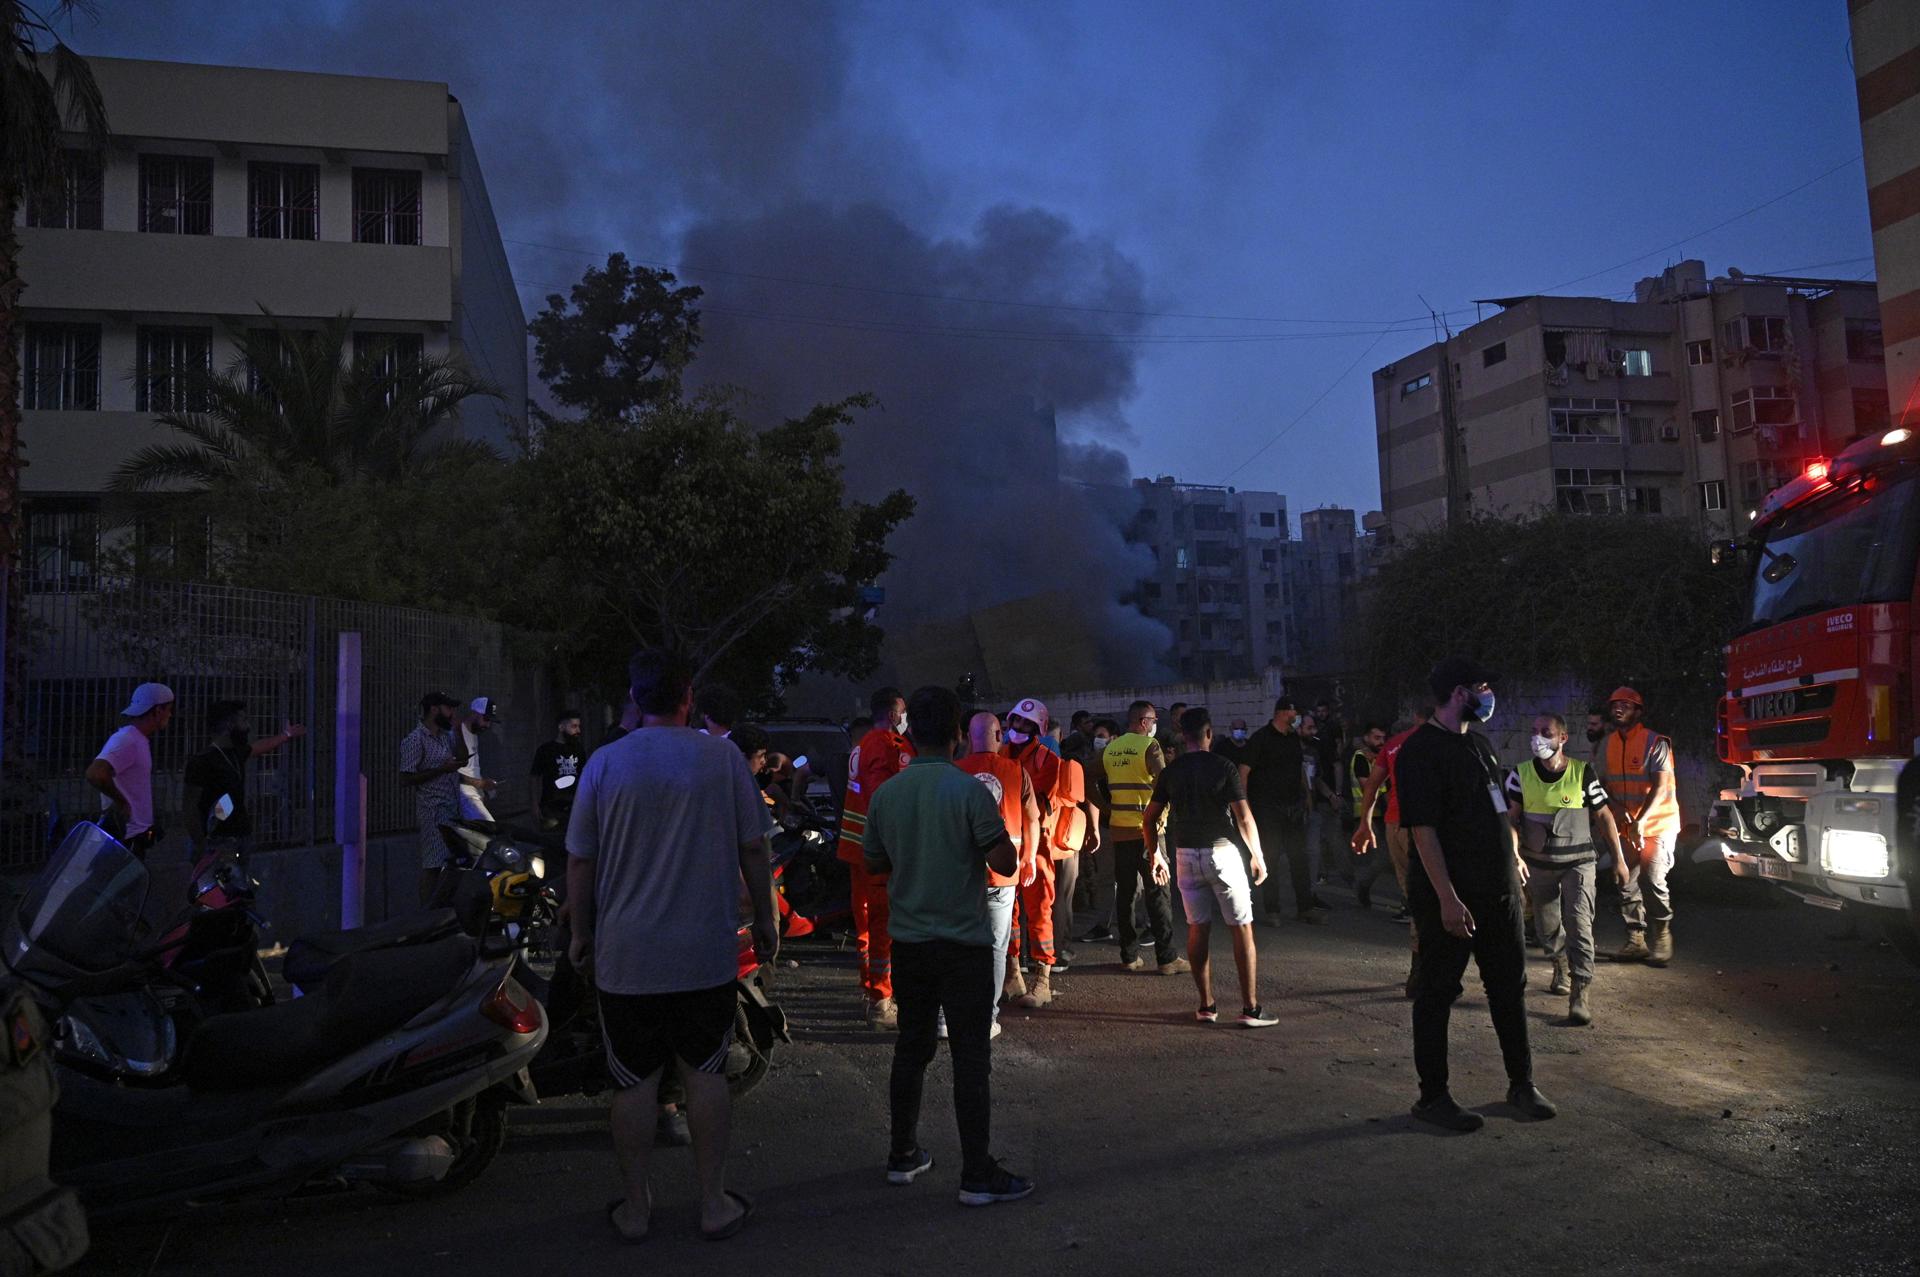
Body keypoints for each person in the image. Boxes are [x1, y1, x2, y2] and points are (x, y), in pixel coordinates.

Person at [565, 649, 777, 1243]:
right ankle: (712, 1204)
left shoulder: (606, 763)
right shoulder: (722, 759)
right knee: (704, 1073)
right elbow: (754, 849)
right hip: (703, 953)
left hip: (626, 957)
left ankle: (636, 1210)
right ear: (689, 696)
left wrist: (581, 932)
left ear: (635, 698)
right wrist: (767, 919)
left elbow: (580, 859)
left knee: (633, 1083)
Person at [864, 685, 1031, 1208]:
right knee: (970, 1056)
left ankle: (902, 1155)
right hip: (964, 945)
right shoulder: (969, 793)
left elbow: (873, 862)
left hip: (910, 944)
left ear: (910, 733)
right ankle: (976, 1173)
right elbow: (1005, 863)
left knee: (912, 1047)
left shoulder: (888, 794)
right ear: (958, 736)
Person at [1396, 656, 1555, 1132]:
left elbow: (1495, 811)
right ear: (1457, 693)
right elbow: (1422, 831)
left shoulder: (1480, 746)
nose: (1488, 695)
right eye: (1481, 687)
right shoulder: (1419, 752)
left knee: (1509, 987)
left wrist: (1514, 857)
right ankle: (1433, 1097)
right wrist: (1446, 897)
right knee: (1437, 992)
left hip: (1498, 891)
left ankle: (1521, 1083)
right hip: (1453, 899)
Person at [1144, 707, 1276, 1027]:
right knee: (1241, 927)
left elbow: (1149, 818)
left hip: (1185, 855)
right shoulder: (1223, 766)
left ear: (1183, 736)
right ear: (1208, 734)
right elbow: (1243, 816)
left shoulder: (1171, 771)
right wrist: (1257, 855)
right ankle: (1250, 1009)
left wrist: (1155, 855)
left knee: (1197, 927)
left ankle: (1206, 1005)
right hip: (1223, 854)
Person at [1506, 714, 1621, 1026]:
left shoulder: (1583, 774)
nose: (1538, 738)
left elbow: (1605, 817)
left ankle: (1580, 992)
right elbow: (1510, 821)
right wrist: (1515, 856)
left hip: (1578, 863)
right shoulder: (1520, 775)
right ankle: (1559, 963)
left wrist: (1619, 859)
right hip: (1538, 865)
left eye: (1546, 733)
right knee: (1547, 925)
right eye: (1534, 731)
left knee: (1580, 922)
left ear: (1562, 739)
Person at [836, 687, 915, 1028]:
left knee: (866, 923)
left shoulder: (862, 744)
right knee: (882, 923)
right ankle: (882, 999)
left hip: (857, 847)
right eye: (904, 712)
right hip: (878, 852)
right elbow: (884, 800)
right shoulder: (887, 745)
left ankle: (871, 989)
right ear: (896, 713)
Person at [956, 712, 1040, 1029]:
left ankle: (948, 1016)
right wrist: (1029, 856)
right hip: (1003, 873)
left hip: (961, 874)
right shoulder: (1017, 770)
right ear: (998, 735)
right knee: (994, 948)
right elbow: (1033, 818)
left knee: (958, 945)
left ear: (967, 737)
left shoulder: (955, 771)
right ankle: (986, 1017)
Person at [1352, 706, 1432, 996]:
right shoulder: (1439, 742)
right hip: (1428, 827)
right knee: (1435, 896)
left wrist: (1365, 824)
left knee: (1415, 895)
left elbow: (1373, 786)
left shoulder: (1394, 746)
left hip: (1395, 823)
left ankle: (1419, 970)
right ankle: (1428, 970)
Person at [1101, 701, 1184, 974]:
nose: (1154, 724)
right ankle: (1167, 958)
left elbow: (1088, 777)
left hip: (1119, 831)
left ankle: (1129, 956)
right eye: (1153, 719)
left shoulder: (1111, 748)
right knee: (1158, 892)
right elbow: (1166, 781)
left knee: (1125, 894)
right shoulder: (1150, 746)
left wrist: (1104, 807)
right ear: (1143, 722)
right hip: (1148, 832)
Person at [1599, 686, 1680, 966]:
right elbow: (1601, 785)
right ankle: (1636, 940)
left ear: (1638, 711)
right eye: (1614, 705)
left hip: (1658, 825)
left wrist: (1641, 821)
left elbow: (1660, 788)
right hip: (1625, 826)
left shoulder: (1656, 742)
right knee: (1625, 880)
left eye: (1626, 705)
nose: (1618, 709)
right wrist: (1620, 811)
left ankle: (1661, 934)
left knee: (1652, 877)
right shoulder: (1608, 744)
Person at [1238, 698, 1327, 924]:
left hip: (1293, 808)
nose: (1295, 716)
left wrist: (1306, 796)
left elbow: (1299, 770)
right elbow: (1244, 772)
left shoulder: (1293, 740)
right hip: (1267, 809)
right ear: (1282, 712)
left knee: (1300, 858)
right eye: (1293, 711)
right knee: (1271, 859)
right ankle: (1272, 910)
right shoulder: (1261, 739)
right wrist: (1244, 805)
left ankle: (1305, 907)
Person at [182, 700, 307, 856]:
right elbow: (189, 807)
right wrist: (200, 842)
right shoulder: (202, 761)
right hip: (216, 840)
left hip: (239, 835)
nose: (248, 727)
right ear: (228, 725)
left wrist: (286, 735)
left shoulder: (235, 754)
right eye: (243, 721)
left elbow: (258, 747)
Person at [1001, 698, 1062, 1000]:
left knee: (1039, 910)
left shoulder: (1047, 760)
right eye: (1016, 721)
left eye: (1027, 724)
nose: (1019, 727)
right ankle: (1012, 972)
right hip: (1003, 844)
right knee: (1007, 913)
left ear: (1039, 728)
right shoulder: (997, 755)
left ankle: (1043, 978)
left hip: (1036, 846)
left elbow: (1036, 808)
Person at [86, 682, 176, 857]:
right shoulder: (128, 739)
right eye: (168, 709)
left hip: (133, 837)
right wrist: (122, 802)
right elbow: (95, 774)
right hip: (124, 840)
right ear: (158, 711)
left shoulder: (137, 739)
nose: (170, 715)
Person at [400, 692, 470, 903]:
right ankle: (425, 913)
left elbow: (463, 760)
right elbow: (405, 778)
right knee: (433, 864)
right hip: (432, 811)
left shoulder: (445, 736)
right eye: (448, 708)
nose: (452, 714)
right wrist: (441, 769)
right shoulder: (415, 740)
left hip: (452, 808)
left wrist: (458, 731)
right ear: (434, 709)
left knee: (454, 861)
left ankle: (444, 907)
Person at [1345, 722, 1389, 909]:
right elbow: (1368, 786)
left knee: (1383, 858)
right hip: (1365, 816)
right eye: (1376, 738)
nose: (1381, 742)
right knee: (1381, 858)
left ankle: (1363, 885)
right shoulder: (1362, 758)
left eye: (1383, 738)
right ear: (1366, 738)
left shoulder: (1379, 757)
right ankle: (1362, 885)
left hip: (1381, 814)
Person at [530, 710, 587, 831]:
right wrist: (534, 805)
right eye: (574, 726)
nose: (578, 731)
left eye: (579, 726)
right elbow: (534, 777)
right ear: (561, 727)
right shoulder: (545, 750)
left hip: (574, 807)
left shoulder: (579, 750)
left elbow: (585, 777)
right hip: (551, 807)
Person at [457, 696, 501, 821]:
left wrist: (483, 789)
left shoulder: (474, 734)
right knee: (489, 829)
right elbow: (450, 773)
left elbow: (471, 767)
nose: (488, 725)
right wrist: (481, 783)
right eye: (486, 719)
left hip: (473, 794)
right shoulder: (457, 733)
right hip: (463, 794)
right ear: (474, 713)